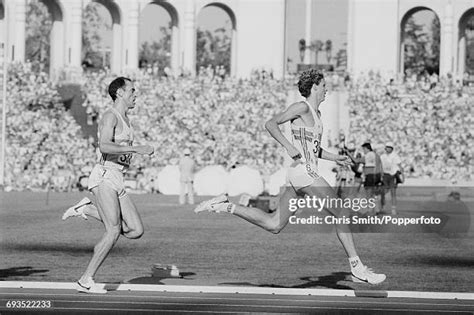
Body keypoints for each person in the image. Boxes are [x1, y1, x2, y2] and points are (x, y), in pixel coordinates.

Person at [194, 69, 386, 285]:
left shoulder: (317, 115)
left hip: (301, 172)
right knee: (340, 211)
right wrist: (287, 146)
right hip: (303, 171)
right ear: (314, 87)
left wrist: (335, 158)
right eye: (323, 86)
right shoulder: (301, 107)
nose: (326, 90)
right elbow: (271, 124)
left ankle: (224, 205)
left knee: (274, 224)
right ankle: (357, 268)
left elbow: (314, 149)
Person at [62, 77, 154, 294]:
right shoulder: (110, 116)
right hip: (104, 176)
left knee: (135, 230)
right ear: (119, 93)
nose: (135, 94)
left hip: (117, 177)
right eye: (132, 90)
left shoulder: (126, 119)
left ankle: (85, 209)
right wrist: (136, 149)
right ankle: (86, 279)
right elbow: (103, 145)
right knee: (112, 231)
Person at [360, 142, 383, 215]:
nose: (363, 151)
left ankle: (370, 210)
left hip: (371, 176)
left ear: (366, 148)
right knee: (374, 193)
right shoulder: (376, 156)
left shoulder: (368, 156)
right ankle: (376, 209)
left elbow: (356, 161)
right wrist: (381, 176)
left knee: (369, 194)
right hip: (376, 176)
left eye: (363, 149)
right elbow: (380, 166)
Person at [380, 142, 402, 215]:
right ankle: (382, 207)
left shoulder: (395, 156)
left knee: (393, 192)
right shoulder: (382, 156)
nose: (387, 148)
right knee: (383, 192)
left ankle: (393, 209)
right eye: (386, 147)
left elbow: (399, 166)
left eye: (389, 147)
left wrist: (402, 175)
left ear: (392, 148)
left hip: (393, 175)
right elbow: (380, 166)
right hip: (384, 175)